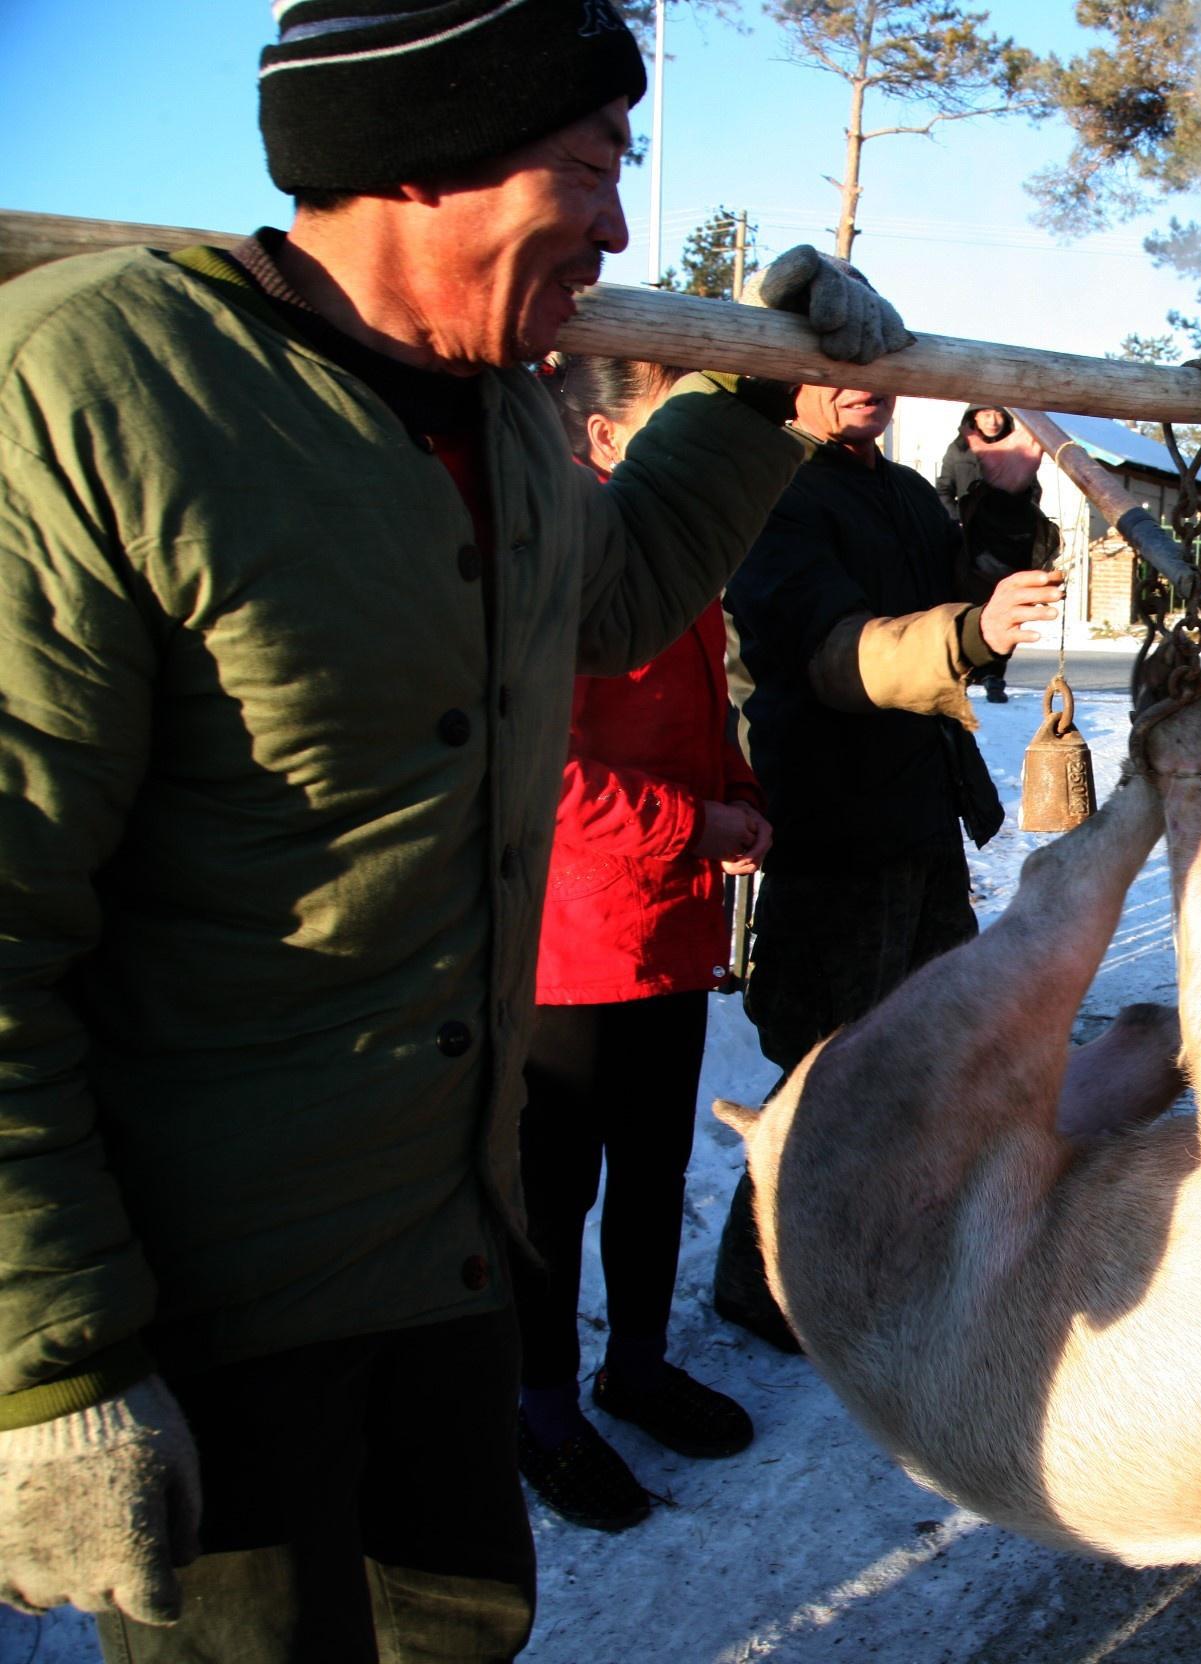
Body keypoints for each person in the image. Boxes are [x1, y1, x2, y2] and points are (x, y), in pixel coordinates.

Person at [0, 1, 906, 1652]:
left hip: (450, 1258)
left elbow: (613, 593)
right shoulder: (98, 391)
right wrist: (43, 1356)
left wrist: (753, 402)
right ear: (416, 156)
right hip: (218, 1305)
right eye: (587, 163)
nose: (623, 223)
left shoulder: (507, 415)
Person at [709, 381, 1065, 1350]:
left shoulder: (905, 493)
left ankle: (885, 1242)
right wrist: (965, 632)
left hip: (919, 810)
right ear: (785, 373)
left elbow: (977, 590)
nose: (860, 379)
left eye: (876, 356)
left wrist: (1003, 494)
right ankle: (759, 1276)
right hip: (826, 820)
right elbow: (833, 655)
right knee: (822, 1064)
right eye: (832, 360)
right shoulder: (771, 493)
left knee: (933, 1043)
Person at [514, 354, 773, 1534]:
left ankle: (636, 1363)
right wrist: (694, 822)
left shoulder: (676, 566)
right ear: (614, 438)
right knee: (551, 1192)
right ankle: (541, 1404)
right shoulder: (548, 550)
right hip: (568, 949)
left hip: (669, 931)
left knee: (654, 1169)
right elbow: (544, 777)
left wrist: (738, 792)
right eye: (679, 413)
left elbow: (705, 713)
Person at [936, 406, 1062, 704]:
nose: (992, 420)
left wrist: (1011, 497)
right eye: (985, 413)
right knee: (963, 603)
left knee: (1005, 606)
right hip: (966, 542)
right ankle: (961, 670)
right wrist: (958, 519)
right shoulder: (958, 451)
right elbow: (944, 489)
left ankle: (995, 674)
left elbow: (1032, 494)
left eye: (997, 413)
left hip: (1006, 541)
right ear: (972, 418)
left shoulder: (1019, 450)